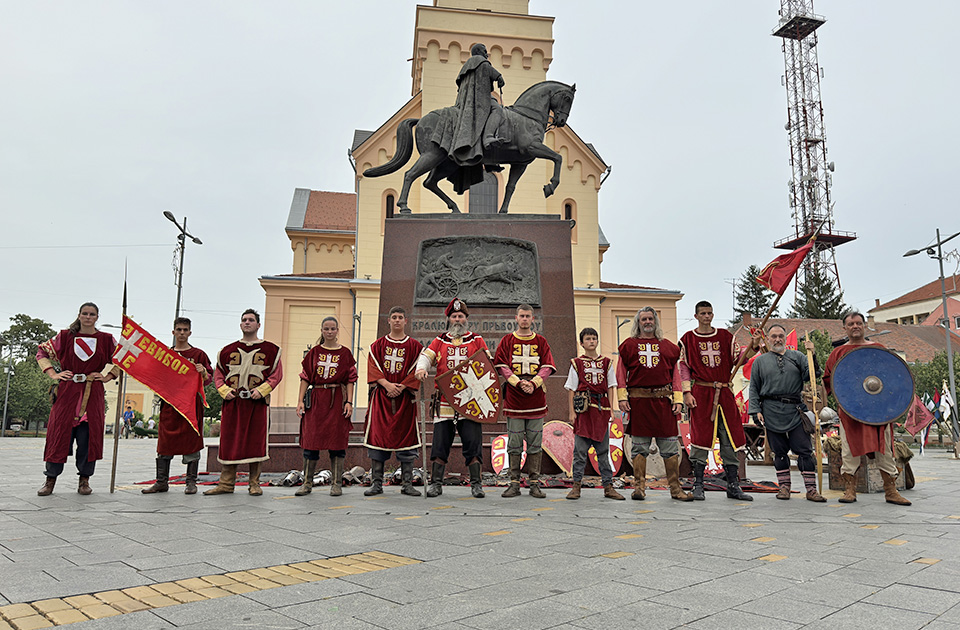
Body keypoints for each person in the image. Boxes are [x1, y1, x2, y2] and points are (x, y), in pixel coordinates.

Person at [823, 311, 911, 506]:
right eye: (851, 324)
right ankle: (849, 490)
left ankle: (891, 491)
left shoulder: (879, 349)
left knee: (885, 450)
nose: (855, 326)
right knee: (849, 450)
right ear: (844, 328)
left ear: (864, 326)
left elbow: (891, 378)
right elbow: (829, 381)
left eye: (858, 323)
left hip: (879, 411)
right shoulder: (838, 353)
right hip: (851, 412)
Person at [678, 301, 760, 501]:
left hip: (724, 393)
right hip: (702, 393)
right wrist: (687, 393)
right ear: (696, 316)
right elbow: (683, 367)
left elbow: (738, 359)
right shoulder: (688, 339)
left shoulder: (725, 337)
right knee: (700, 438)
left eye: (710, 313)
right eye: (703, 313)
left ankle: (733, 485)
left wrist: (753, 346)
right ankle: (698, 485)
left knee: (730, 438)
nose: (707, 316)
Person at [35, 302, 119, 496]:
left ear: (97, 317)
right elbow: (42, 352)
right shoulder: (65, 336)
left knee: (88, 440)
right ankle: (50, 480)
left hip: (93, 393)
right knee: (58, 437)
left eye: (92, 314)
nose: (88, 317)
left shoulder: (106, 339)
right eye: (85, 313)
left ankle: (84, 480)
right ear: (79, 315)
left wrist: (108, 376)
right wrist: (53, 373)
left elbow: (124, 359)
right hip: (67, 393)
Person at [415, 298, 491, 498]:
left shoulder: (476, 340)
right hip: (445, 401)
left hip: (470, 400)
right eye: (454, 316)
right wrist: (422, 368)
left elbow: (487, 363)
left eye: (461, 316)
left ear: (466, 319)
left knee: (473, 443)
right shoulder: (439, 340)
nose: (457, 319)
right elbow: (426, 356)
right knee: (440, 443)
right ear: (448, 319)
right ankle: (436, 484)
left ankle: (476, 484)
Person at [205, 309, 282, 496]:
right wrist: (224, 391)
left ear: (258, 325)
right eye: (244, 320)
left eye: (251, 320)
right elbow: (219, 375)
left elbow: (276, 375)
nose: (247, 323)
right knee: (230, 441)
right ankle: (226, 483)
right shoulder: (226, 351)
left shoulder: (271, 350)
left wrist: (261, 390)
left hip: (257, 404)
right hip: (233, 403)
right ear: (240, 324)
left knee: (255, 442)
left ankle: (254, 483)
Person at [617, 307, 691, 502]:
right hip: (639, 403)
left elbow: (675, 375)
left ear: (655, 322)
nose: (647, 322)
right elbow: (620, 373)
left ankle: (675, 489)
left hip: (663, 403)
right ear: (638, 323)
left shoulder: (668, 347)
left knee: (669, 447)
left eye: (650, 319)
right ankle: (639, 488)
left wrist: (678, 400)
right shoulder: (629, 346)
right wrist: (622, 397)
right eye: (644, 319)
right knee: (639, 447)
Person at [747, 324, 826, 502]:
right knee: (779, 451)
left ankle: (811, 490)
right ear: (767, 339)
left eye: (781, 336)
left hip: (796, 410)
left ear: (785, 338)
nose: (777, 339)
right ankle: (784, 488)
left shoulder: (797, 356)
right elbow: (754, 388)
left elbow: (812, 375)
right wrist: (755, 411)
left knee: (805, 451)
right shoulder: (760, 361)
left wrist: (812, 355)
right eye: (773, 336)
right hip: (771, 410)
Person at [141, 317, 213, 495]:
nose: (182, 333)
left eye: (185, 330)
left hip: (191, 406)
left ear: (190, 332)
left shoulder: (199, 355)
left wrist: (202, 371)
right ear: (173, 332)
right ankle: (161, 481)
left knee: (192, 442)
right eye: (179, 329)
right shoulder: (164, 354)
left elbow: (209, 378)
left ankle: (191, 482)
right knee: (165, 443)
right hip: (169, 406)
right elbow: (155, 376)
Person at [494, 304, 555, 498]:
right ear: (516, 317)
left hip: (536, 400)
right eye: (522, 316)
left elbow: (547, 366)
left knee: (535, 444)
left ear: (533, 319)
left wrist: (534, 383)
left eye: (528, 316)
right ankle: (514, 483)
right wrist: (518, 382)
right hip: (514, 400)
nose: (525, 319)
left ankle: (534, 483)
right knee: (514, 443)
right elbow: (502, 366)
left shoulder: (541, 341)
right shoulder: (507, 340)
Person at [363, 306, 424, 497]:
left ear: (406, 321)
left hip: (405, 399)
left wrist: (402, 386)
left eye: (400, 317)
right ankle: (377, 483)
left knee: (407, 439)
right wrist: (387, 385)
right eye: (394, 317)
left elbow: (417, 369)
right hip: (382, 399)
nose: (397, 320)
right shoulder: (377, 346)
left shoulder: (415, 347)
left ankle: (407, 483)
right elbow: (373, 368)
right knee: (378, 438)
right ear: (388, 320)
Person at [294, 317, 357, 497]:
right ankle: (307, 483)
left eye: (332, 329)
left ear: (337, 331)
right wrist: (300, 401)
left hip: (337, 400)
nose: (329, 332)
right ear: (322, 331)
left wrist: (349, 402)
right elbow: (305, 377)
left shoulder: (345, 353)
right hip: (316, 401)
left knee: (336, 441)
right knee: (311, 441)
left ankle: (336, 484)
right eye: (326, 329)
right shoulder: (314, 352)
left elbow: (351, 379)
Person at [564, 328, 624, 500]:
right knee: (580, 451)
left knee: (603, 451)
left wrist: (611, 409)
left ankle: (608, 486)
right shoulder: (576, 363)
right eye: (588, 339)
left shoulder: (606, 362)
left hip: (601, 411)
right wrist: (571, 412)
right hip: (583, 412)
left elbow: (611, 386)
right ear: (581, 343)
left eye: (594, 338)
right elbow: (571, 389)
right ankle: (576, 486)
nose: (591, 341)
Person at [451, 42, 506, 167]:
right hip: (479, 99)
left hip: (470, 100)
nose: (487, 54)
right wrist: (499, 77)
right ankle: (488, 137)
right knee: (497, 109)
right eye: (484, 51)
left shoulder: (468, 65)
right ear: (478, 52)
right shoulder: (480, 61)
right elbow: (490, 71)